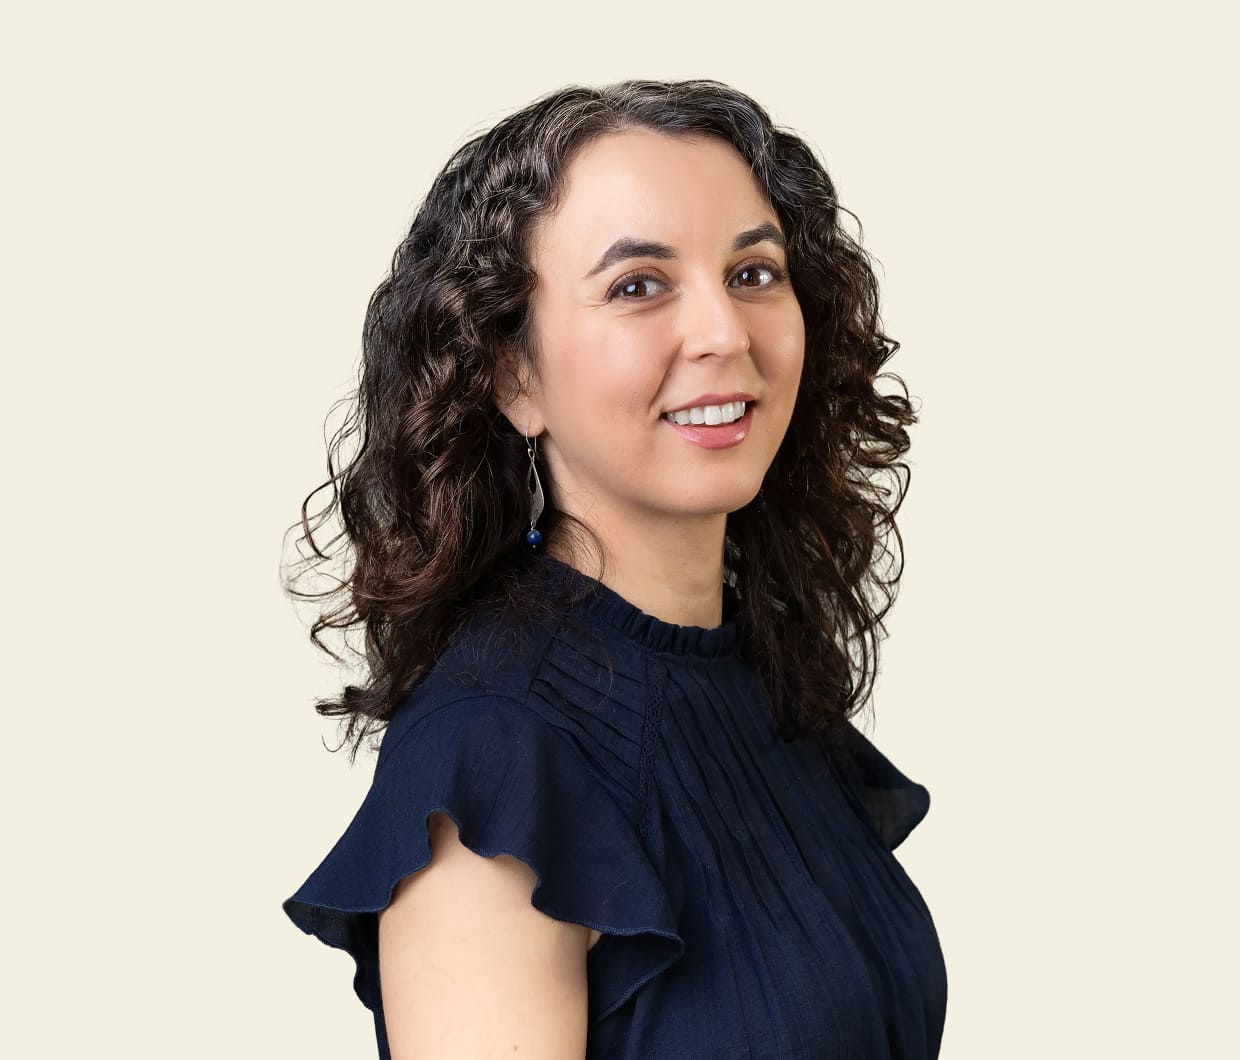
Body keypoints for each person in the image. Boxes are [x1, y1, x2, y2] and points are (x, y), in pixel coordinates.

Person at [281, 78, 947, 1059]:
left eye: (752, 272)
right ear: (512, 374)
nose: (724, 332)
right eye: (638, 286)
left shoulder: (761, 677)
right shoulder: (493, 763)